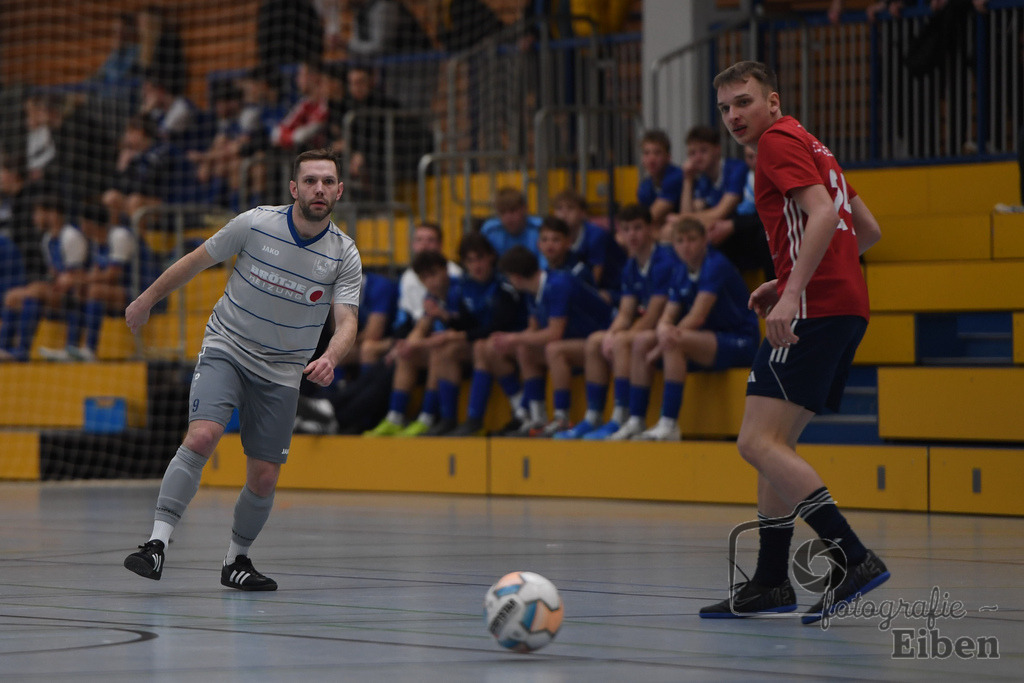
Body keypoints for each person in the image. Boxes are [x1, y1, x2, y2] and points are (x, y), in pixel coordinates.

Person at [122, 149, 361, 591]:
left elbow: (347, 321)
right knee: (203, 436)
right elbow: (196, 260)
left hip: (283, 370)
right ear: (294, 188)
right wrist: (147, 299)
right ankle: (156, 544)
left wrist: (331, 356)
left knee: (264, 476)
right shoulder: (255, 223)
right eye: (311, 181)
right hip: (228, 347)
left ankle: (236, 561)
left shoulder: (344, 253)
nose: (319, 189)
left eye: (328, 182)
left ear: (339, 190)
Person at [700, 61, 887, 622]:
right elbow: (867, 229)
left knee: (756, 442)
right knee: (774, 445)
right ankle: (771, 581)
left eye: (744, 102)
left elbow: (823, 213)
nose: (734, 116)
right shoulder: (811, 142)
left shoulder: (775, 144)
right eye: (725, 108)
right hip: (843, 305)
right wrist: (787, 282)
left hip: (814, 310)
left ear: (773, 102)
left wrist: (793, 293)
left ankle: (853, 556)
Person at [620, 217, 759, 441]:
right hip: (707, 340)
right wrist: (662, 330)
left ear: (705, 241)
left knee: (674, 341)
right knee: (642, 340)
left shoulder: (715, 264)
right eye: (680, 241)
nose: (686, 246)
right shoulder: (680, 270)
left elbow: (696, 317)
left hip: (740, 340)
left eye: (692, 239)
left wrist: (660, 345)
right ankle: (635, 419)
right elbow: (668, 315)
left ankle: (669, 423)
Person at [551, 204, 677, 440]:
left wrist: (619, 336)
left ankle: (623, 416)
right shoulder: (630, 265)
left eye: (637, 228)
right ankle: (593, 417)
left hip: (668, 327)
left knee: (621, 342)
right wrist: (611, 332)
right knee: (595, 341)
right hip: (647, 327)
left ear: (650, 228)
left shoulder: (664, 261)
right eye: (626, 229)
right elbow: (626, 313)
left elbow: (653, 316)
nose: (632, 235)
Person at [492, 245, 613, 436]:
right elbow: (533, 330)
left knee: (554, 349)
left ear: (516, 277)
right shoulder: (531, 291)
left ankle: (561, 418)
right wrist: (511, 341)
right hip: (576, 341)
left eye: (509, 277)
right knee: (525, 348)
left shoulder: (558, 284)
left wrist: (514, 337)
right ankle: (537, 417)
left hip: (601, 338)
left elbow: (554, 333)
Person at [39, 204, 158, 362]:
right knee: (80, 290)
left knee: (95, 291)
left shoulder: (119, 236)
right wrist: (77, 282)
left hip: (142, 291)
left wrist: (78, 279)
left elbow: (113, 275)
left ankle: (90, 349)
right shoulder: (97, 243)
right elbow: (95, 273)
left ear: (89, 224)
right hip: (119, 292)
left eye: (82, 223)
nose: (80, 227)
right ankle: (71, 348)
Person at [0, 194, 88, 362]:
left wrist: (41, 288)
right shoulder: (47, 239)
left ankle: (21, 350)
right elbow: (54, 275)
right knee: (20, 298)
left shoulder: (71, 236)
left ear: (52, 214)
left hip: (77, 296)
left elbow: (74, 279)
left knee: (32, 293)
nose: (34, 218)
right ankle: (7, 349)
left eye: (37, 213)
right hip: (59, 293)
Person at [707, 145, 775, 277]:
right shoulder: (746, 176)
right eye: (750, 157)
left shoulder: (775, 178)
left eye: (758, 155)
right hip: (747, 229)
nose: (755, 161)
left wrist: (734, 225)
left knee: (763, 236)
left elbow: (771, 216)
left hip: (765, 232)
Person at [677, 125, 747, 232]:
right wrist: (688, 179)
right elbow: (686, 223)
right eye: (692, 153)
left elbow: (720, 214)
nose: (698, 158)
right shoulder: (702, 179)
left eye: (703, 150)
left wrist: (682, 218)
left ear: (717, 149)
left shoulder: (736, 169)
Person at [636, 129, 684, 233]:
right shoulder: (645, 186)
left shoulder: (676, 176)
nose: (651, 159)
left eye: (657, 153)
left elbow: (649, 218)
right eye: (646, 153)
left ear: (668, 157)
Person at [480, 187, 543, 258]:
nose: (508, 217)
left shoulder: (539, 229)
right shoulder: (490, 231)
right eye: (503, 212)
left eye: (512, 211)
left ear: (524, 209)